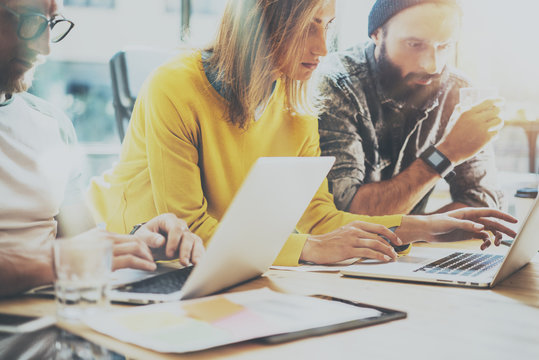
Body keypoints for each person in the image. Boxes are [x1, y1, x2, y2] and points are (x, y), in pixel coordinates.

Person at [89, 0, 516, 268]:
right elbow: (190, 227)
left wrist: (425, 227)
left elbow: (318, 216)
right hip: (145, 255)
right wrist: (308, 248)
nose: (323, 48)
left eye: (327, 27)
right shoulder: (175, 86)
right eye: (309, 26)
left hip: (234, 256)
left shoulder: (297, 97)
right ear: (261, 23)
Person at [0, 0, 204, 297]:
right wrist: (56, 263)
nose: (44, 49)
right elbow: (66, 258)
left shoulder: (52, 125)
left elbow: (83, 242)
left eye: (51, 23)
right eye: (30, 20)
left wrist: (135, 244)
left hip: (63, 324)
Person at [317, 0, 504, 217]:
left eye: (444, 46)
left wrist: (420, 231)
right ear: (377, 34)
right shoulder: (336, 85)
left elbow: (483, 204)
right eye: (415, 44)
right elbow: (344, 215)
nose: (432, 65)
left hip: (411, 249)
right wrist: (446, 153)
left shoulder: (457, 91)